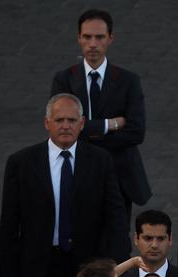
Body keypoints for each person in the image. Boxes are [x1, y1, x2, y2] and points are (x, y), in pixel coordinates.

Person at [0, 94, 126, 277]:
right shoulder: (22, 163)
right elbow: (9, 222)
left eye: (71, 119)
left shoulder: (100, 161)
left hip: (88, 269)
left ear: (82, 123)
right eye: (59, 120)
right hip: (40, 269)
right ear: (47, 123)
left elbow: (116, 216)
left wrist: (115, 268)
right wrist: (8, 275)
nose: (65, 125)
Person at [50, 9, 151, 222]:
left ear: (110, 38)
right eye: (87, 37)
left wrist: (84, 130)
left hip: (119, 177)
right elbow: (60, 129)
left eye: (99, 37)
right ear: (79, 38)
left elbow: (136, 132)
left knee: (117, 244)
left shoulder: (128, 81)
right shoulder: (64, 80)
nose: (93, 44)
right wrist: (109, 124)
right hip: (77, 173)